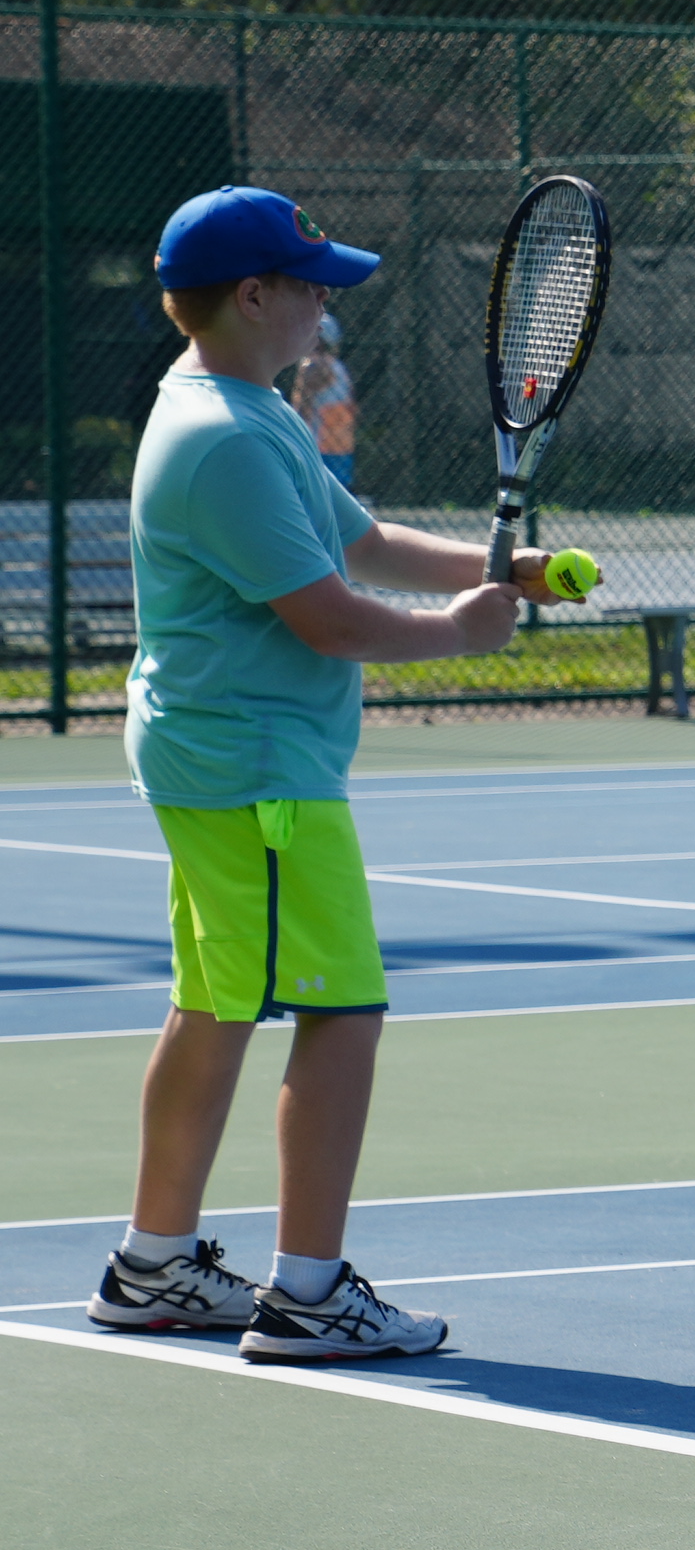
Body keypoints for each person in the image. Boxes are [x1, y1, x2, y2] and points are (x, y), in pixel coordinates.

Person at [84, 188, 552, 1366]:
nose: (325, 300)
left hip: (220, 757)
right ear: (254, 297)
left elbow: (363, 541)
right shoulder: (226, 442)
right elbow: (332, 618)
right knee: (341, 1015)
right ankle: (308, 1295)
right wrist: (461, 633)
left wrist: (507, 567)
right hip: (259, 772)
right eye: (311, 283)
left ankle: (154, 1266)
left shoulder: (239, 409)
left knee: (217, 1004)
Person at [293, 310, 358, 487]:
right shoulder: (339, 367)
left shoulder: (312, 366)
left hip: (317, 443)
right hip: (340, 443)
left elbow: (303, 407)